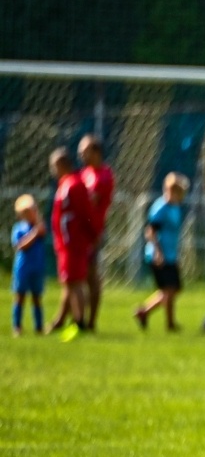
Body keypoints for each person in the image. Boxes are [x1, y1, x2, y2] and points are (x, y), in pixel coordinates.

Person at [47, 148, 93, 335]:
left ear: (62, 164)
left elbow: (85, 213)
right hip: (66, 243)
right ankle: (63, 320)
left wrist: (88, 236)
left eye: (54, 166)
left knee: (75, 281)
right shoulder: (65, 184)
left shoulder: (74, 185)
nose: (52, 170)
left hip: (73, 242)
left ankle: (80, 321)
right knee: (69, 281)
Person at [135, 173, 189, 332]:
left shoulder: (175, 208)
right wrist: (158, 252)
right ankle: (162, 320)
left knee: (173, 289)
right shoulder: (161, 208)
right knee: (169, 290)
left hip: (170, 255)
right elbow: (150, 232)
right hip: (159, 256)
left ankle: (148, 314)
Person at [77, 134, 114, 331]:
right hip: (79, 233)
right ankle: (76, 318)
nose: (80, 154)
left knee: (91, 276)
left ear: (96, 152)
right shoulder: (84, 173)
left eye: (84, 150)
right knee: (77, 277)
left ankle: (90, 321)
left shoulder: (104, 175)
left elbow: (89, 202)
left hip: (93, 233)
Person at [11, 194, 48, 336]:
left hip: (37, 268)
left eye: (32, 210)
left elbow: (43, 232)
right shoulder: (19, 228)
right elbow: (21, 245)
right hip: (23, 268)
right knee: (20, 296)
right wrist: (34, 233)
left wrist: (37, 224)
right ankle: (17, 326)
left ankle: (39, 327)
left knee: (37, 297)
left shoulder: (39, 227)